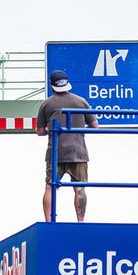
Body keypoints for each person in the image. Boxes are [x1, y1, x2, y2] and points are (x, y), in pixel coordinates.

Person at [36, 70, 98, 222]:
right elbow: (95, 126)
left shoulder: (46, 104)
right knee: (79, 188)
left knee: (50, 187)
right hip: (78, 152)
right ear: (67, 84)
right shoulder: (81, 102)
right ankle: (81, 222)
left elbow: (39, 131)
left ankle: (49, 222)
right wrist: (79, 130)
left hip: (56, 153)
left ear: (52, 86)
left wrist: (51, 131)